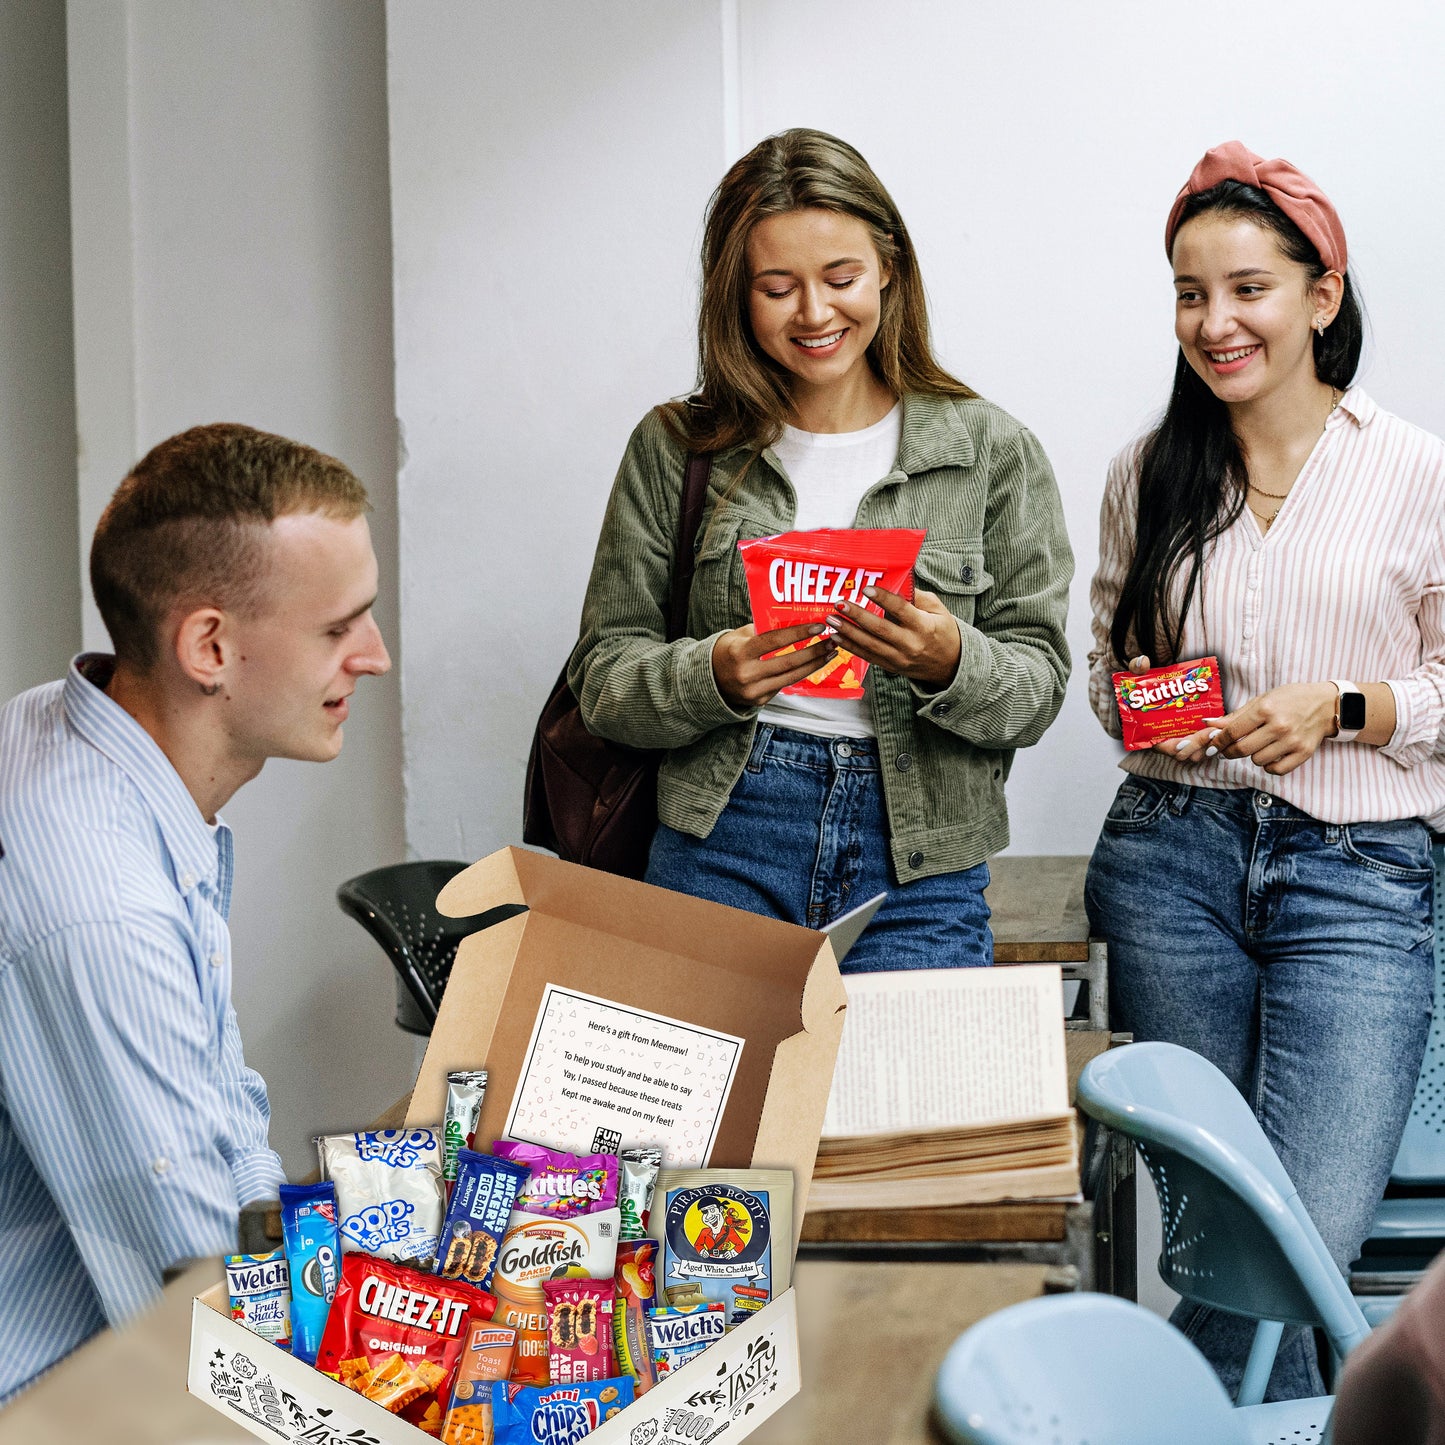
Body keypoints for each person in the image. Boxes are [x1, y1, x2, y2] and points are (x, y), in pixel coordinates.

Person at [1085, 141, 1445, 1400]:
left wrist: (1345, 707)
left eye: (1245, 287)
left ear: (1320, 295)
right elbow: (1105, 669)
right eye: (1188, 292)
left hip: (1357, 878)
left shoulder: (1415, 469)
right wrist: (1146, 714)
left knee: (1296, 1236)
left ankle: (1124, 1413)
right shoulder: (1148, 471)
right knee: (1222, 1233)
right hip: (1167, 863)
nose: (1213, 321)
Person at [569, 128, 1072, 971]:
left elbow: (1041, 688)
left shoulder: (990, 450)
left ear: (888, 269)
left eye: (839, 279)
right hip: (722, 836)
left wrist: (951, 660)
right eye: (777, 287)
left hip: (921, 856)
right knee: (722, 1105)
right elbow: (603, 681)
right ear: (735, 296)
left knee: (905, 1106)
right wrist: (712, 675)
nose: (814, 313)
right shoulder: (676, 446)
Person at [0, 422, 391, 1401]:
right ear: (209, 645)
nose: (375, 657)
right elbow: (201, 1302)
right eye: (339, 627)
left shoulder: (73, 723)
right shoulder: (103, 913)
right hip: (62, 1388)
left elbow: (217, 1121)